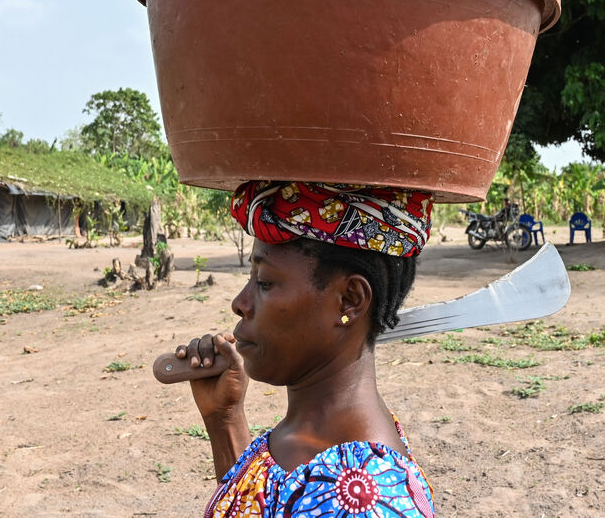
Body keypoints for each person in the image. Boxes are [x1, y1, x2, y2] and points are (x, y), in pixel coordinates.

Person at [174, 181, 436, 517]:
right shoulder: (318, 445)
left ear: (350, 300)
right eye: (251, 277)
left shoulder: (360, 499)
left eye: (265, 282)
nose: (239, 303)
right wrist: (223, 419)